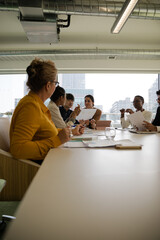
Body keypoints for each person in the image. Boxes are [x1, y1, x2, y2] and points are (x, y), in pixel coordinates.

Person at [10, 58, 84, 163]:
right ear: (48, 85)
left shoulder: (37, 104)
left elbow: (48, 132)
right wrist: (57, 140)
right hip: (38, 168)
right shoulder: (30, 106)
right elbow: (18, 149)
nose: (55, 86)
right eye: (56, 83)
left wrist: (71, 132)